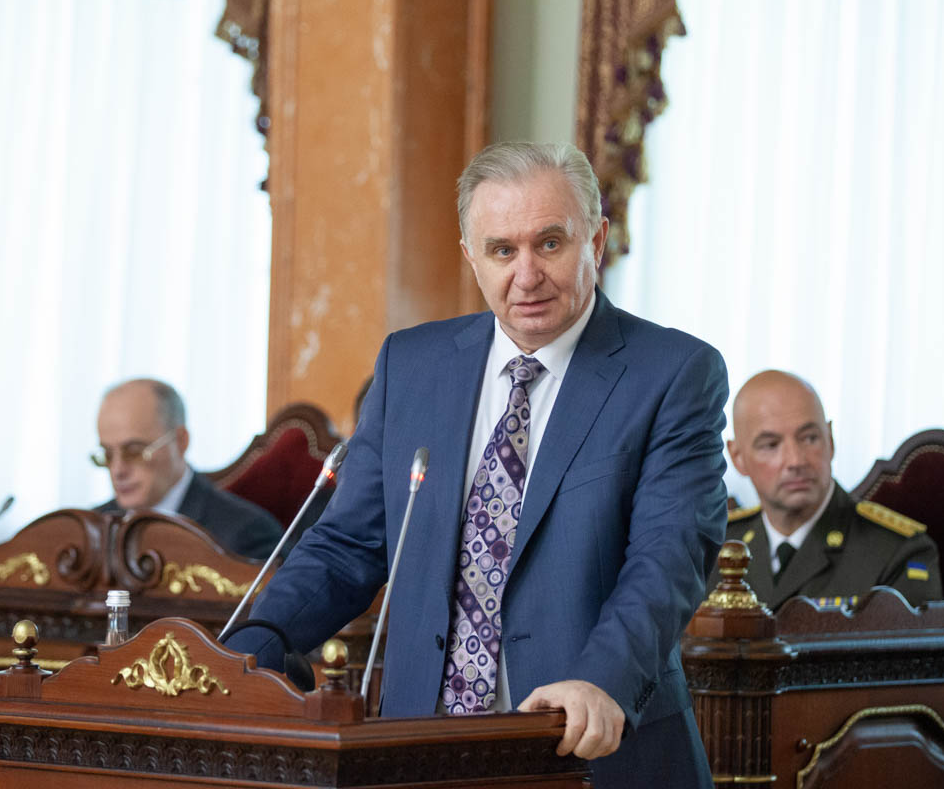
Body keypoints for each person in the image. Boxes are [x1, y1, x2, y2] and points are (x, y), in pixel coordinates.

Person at [233, 142, 730, 788]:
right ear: (471, 255)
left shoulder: (673, 373)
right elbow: (348, 545)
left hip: (594, 746)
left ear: (596, 240)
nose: (526, 274)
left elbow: (668, 558)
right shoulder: (411, 365)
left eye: (549, 243)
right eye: (502, 250)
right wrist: (248, 650)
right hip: (423, 751)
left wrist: (601, 681)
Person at [719, 369, 943, 609]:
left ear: (831, 440)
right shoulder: (714, 547)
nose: (796, 461)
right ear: (737, 457)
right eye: (771, 445)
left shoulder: (896, 551)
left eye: (809, 438)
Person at [93, 378, 284, 561]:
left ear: (180, 441)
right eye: (107, 454)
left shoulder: (245, 534)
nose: (117, 470)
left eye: (135, 451)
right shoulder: (91, 528)